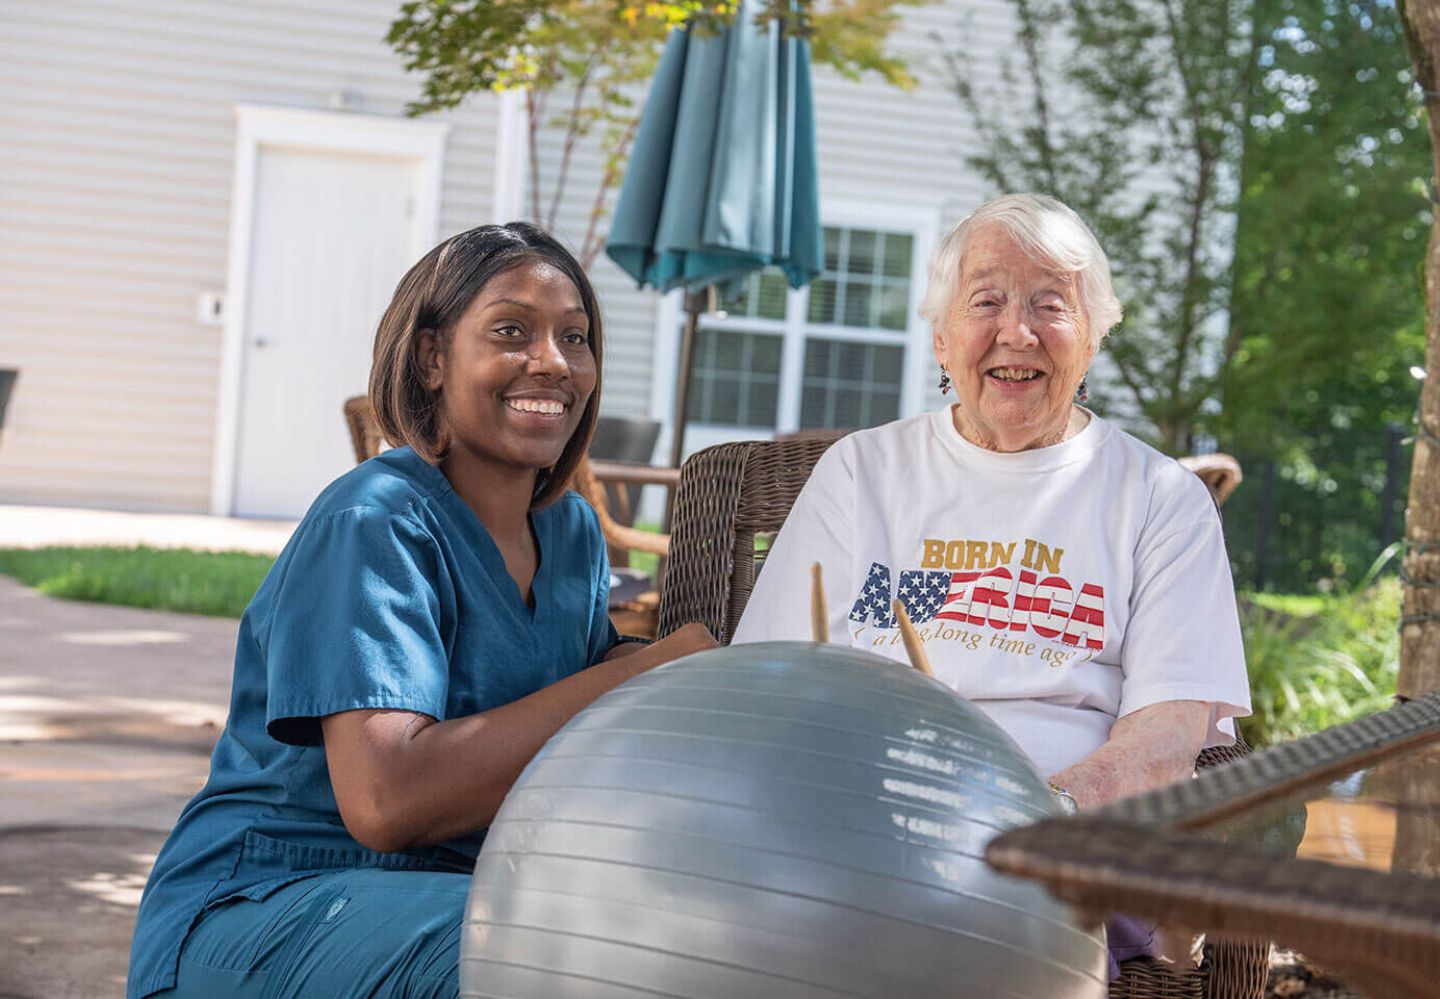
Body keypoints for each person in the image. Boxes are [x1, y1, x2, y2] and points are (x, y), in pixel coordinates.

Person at [128, 223, 715, 999]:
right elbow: (387, 798)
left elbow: (576, 668)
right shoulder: (375, 520)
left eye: (575, 337)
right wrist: (646, 673)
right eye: (512, 330)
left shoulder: (570, 531)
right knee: (571, 955)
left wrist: (704, 679)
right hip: (269, 904)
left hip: (457, 897)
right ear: (433, 357)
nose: (553, 361)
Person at [731, 193, 1250, 976]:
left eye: (1052, 304)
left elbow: (1166, 741)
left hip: (1063, 848)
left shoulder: (1160, 498)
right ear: (942, 337)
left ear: (1093, 335)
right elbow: (770, 691)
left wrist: (1029, 815)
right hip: (865, 824)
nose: (1019, 331)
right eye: (987, 302)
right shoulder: (863, 473)